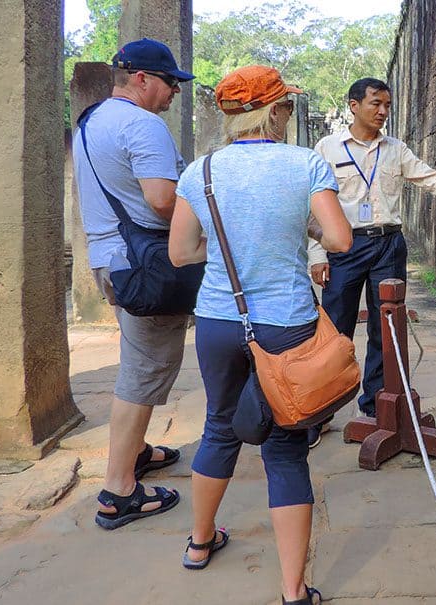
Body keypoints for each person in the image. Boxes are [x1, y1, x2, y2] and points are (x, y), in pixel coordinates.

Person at [169, 65, 351, 605]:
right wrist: (300, 230)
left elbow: (180, 253)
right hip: (286, 323)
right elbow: (338, 239)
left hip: (220, 321)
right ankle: (293, 590)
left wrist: (231, 254)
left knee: (220, 427)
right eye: (287, 106)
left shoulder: (198, 172)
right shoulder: (304, 164)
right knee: (287, 448)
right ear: (275, 111)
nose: (289, 114)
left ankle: (200, 542)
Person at [308, 77, 436, 444]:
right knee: (334, 331)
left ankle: (372, 406)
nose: (383, 111)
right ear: (354, 105)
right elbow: (311, 203)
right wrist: (317, 253)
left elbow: (432, 179)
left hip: (388, 246)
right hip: (343, 247)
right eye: (375, 103)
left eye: (387, 104)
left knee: (384, 330)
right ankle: (319, 413)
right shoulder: (326, 148)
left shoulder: (395, 149)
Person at [72, 38, 195, 529]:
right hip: (145, 263)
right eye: (169, 83)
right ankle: (118, 488)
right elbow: (163, 201)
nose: (173, 94)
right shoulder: (142, 125)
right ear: (142, 79)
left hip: (110, 256)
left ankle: (137, 450)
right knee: (145, 368)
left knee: (136, 356)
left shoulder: (91, 119)